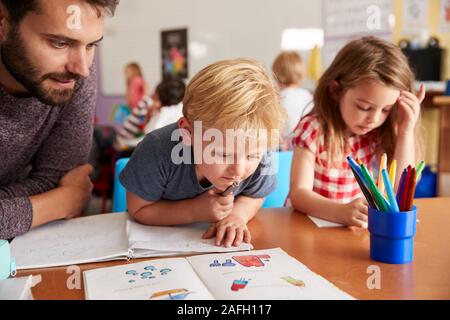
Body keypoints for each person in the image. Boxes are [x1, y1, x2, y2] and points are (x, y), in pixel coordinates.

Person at [119, 59, 286, 248]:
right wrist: (194, 210)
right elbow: (138, 209)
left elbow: (256, 194)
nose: (238, 170)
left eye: (252, 156)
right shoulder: (156, 150)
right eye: (223, 155)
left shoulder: (259, 147)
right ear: (187, 133)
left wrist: (237, 215)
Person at [0, 0, 119, 239]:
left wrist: (54, 195)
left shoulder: (72, 75)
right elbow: (67, 194)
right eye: (60, 43)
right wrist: (58, 203)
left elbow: (59, 181)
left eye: (91, 45)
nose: (82, 69)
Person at [289, 36, 425, 228]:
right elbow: (299, 194)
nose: (375, 119)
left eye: (386, 109)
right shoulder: (313, 129)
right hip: (308, 229)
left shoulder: (374, 133)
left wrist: (405, 132)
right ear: (335, 91)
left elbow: (398, 189)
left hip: (348, 230)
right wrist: (340, 212)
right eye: (364, 107)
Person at [272, 51, 313, 148]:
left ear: (276, 73)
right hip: (304, 145)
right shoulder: (307, 95)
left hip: (285, 148)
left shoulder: (278, 98)